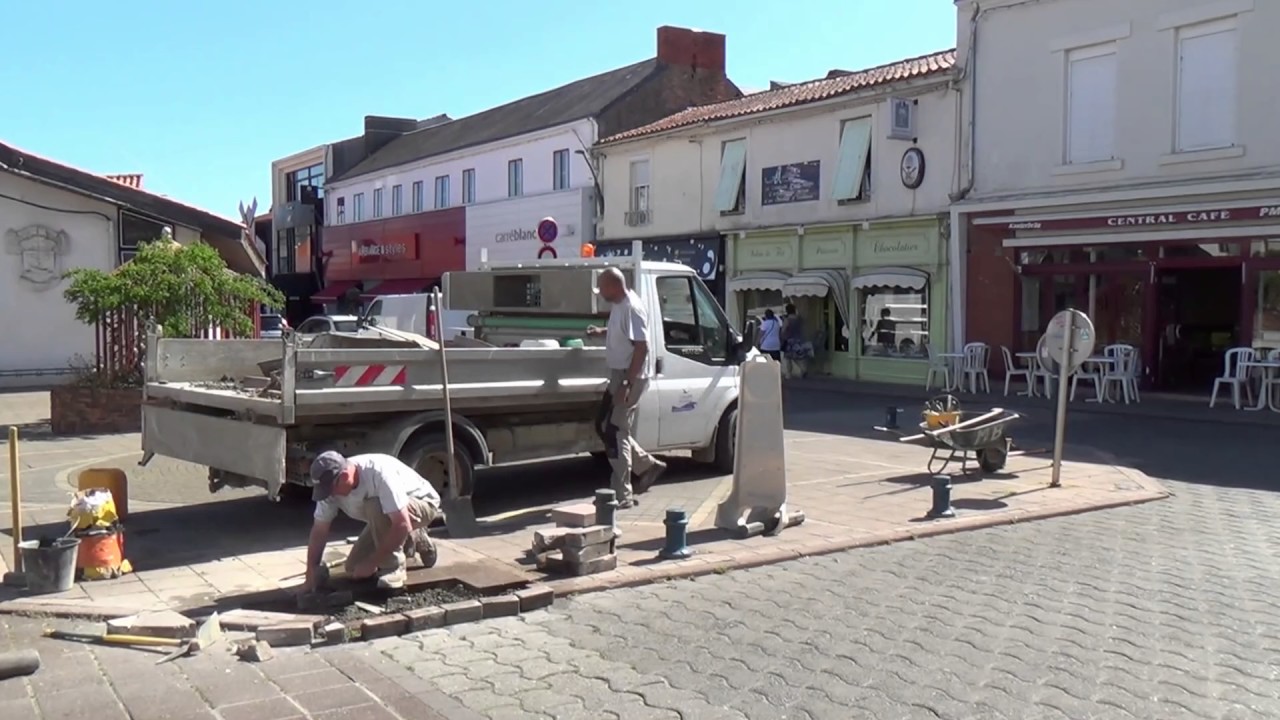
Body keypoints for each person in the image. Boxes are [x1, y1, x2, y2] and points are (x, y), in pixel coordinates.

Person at [301, 451, 441, 591]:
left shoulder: (378, 474)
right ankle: (415, 537)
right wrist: (310, 573)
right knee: (353, 568)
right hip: (388, 517)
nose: (330, 495)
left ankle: (393, 569)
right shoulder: (330, 486)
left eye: (331, 490)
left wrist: (373, 563)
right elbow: (319, 530)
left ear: (344, 476)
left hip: (423, 504)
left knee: (374, 504)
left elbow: (402, 524)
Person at [586, 267, 666, 508]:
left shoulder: (632, 308)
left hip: (630, 376)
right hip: (620, 374)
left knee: (615, 431)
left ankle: (622, 494)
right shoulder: (620, 305)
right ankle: (647, 465)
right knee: (604, 425)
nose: (600, 293)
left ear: (614, 286)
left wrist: (627, 384)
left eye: (602, 288)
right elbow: (625, 335)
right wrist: (602, 332)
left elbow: (641, 348)